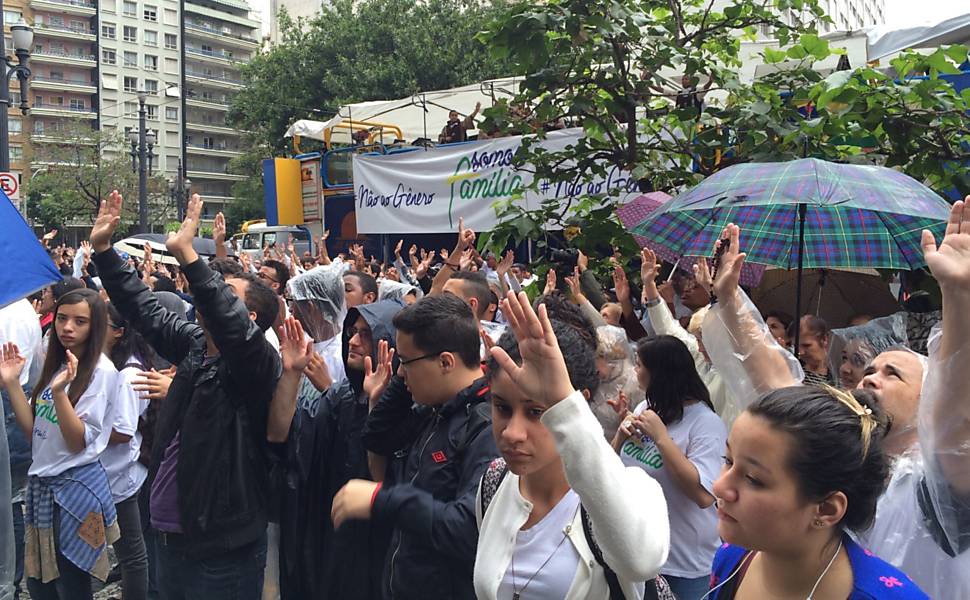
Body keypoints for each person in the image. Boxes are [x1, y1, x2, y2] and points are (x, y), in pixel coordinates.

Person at [701, 213, 970, 598]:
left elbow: (955, 427)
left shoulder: (939, 494)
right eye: (870, 369)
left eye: (894, 374)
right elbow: (778, 384)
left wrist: (959, 298)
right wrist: (730, 302)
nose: (871, 378)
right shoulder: (737, 560)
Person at [89, 191, 281, 600]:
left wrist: (191, 259)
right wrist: (104, 251)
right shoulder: (196, 346)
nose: (207, 295)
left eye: (223, 292)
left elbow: (230, 326)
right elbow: (144, 309)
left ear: (250, 320)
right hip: (168, 537)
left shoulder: (254, 366)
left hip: (219, 548)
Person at [473, 291, 670, 599]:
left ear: (577, 405)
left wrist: (563, 404)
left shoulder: (630, 490)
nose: (512, 433)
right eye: (502, 408)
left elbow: (640, 561)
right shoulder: (495, 482)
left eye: (537, 412)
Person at [332, 294, 498, 600]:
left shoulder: (487, 428)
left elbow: (467, 530)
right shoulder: (436, 408)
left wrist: (384, 500)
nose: (401, 371)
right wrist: (399, 385)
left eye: (406, 362)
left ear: (446, 361)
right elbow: (376, 437)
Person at [708, 385, 927, 598]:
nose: (719, 487)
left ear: (827, 508)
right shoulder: (731, 559)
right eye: (728, 461)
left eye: (753, 479)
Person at [270, 299, 404, 600]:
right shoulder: (339, 397)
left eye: (366, 334)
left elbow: (385, 478)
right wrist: (291, 374)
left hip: (374, 553)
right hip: (327, 541)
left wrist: (376, 406)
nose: (353, 341)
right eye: (352, 332)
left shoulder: (409, 405)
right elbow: (285, 441)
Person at [1, 288, 120, 600]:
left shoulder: (101, 371)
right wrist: (12, 382)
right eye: (63, 319)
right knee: (40, 581)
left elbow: (77, 441)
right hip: (44, 486)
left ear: (96, 326)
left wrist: (59, 394)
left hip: (75, 491)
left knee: (71, 583)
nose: (67, 327)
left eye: (80, 321)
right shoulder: (58, 363)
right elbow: (35, 434)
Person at [612, 335, 726, 599]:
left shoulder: (706, 424)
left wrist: (662, 439)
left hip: (686, 565)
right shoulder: (646, 408)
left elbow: (703, 496)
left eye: (639, 365)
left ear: (659, 373)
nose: (634, 371)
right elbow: (611, 470)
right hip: (644, 555)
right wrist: (620, 435)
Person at [102, 303, 154, 600]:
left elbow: (122, 430)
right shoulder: (118, 365)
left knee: (132, 554)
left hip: (122, 474)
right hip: (116, 472)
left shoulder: (128, 373)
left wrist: (81, 433)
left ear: (119, 333)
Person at [1, 298, 44, 600]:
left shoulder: (10, 310)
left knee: (10, 499)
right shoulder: (25, 308)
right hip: (20, 396)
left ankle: (9, 581)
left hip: (9, 400)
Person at [288, 264, 348, 388]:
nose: (290, 309)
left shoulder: (343, 355)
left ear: (310, 308)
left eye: (293, 301)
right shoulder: (299, 346)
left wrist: (327, 387)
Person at [798, 315, 836, 387]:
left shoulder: (838, 376)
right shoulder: (794, 371)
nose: (801, 352)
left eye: (806, 346)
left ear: (824, 339)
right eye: (796, 346)